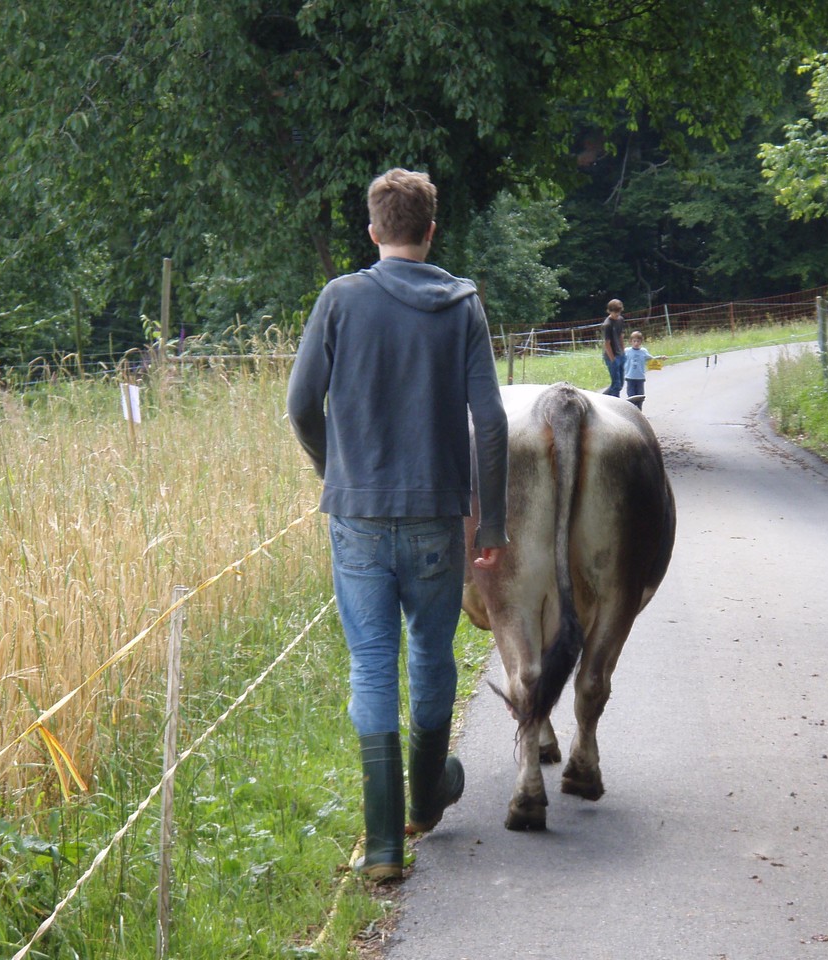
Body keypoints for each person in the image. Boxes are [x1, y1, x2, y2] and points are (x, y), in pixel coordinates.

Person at [286, 168, 509, 881]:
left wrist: (335, 470)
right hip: (437, 519)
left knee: (372, 662)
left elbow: (299, 405)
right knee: (432, 653)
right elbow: (492, 422)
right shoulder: (463, 305)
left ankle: (384, 846)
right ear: (431, 230)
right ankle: (429, 795)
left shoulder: (340, 298)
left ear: (375, 230)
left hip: (356, 516)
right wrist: (493, 522)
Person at [622, 330, 666, 409]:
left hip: (640, 378)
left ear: (641, 342)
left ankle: (639, 410)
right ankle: (633, 411)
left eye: (638, 341)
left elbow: (651, 359)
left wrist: (660, 357)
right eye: (634, 341)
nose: (636, 343)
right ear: (630, 341)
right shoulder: (627, 351)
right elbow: (619, 357)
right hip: (630, 377)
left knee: (640, 396)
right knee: (631, 396)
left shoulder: (643, 352)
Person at [600, 298, 625, 396]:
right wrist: (613, 359)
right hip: (611, 356)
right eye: (615, 313)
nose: (617, 315)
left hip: (620, 354)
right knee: (616, 385)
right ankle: (615, 403)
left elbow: (620, 336)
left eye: (618, 312)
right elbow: (607, 343)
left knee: (620, 384)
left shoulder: (620, 320)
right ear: (609, 311)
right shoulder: (607, 324)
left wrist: (623, 352)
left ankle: (602, 398)